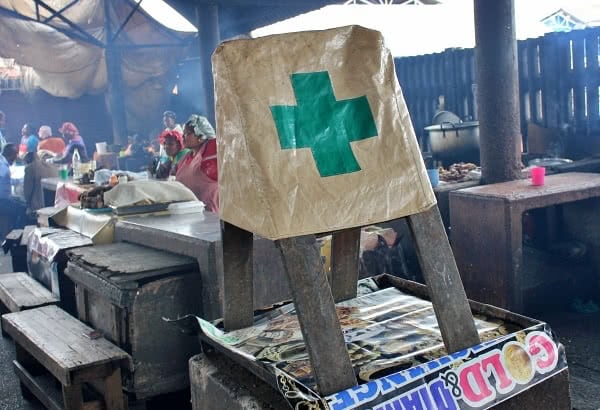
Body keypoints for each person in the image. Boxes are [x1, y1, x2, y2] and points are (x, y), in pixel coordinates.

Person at [176, 115, 219, 212]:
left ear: (201, 136)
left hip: (211, 214)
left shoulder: (211, 152)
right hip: (189, 211)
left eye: (187, 134)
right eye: (183, 133)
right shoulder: (185, 158)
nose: (183, 137)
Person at [0, 144, 26, 238]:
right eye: (16, 154)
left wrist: (20, 180)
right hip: (2, 201)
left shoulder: (3, 162)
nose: (16, 157)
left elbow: (6, 180)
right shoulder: (2, 164)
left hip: (4, 199)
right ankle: (14, 238)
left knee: (20, 204)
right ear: (12, 154)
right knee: (23, 210)